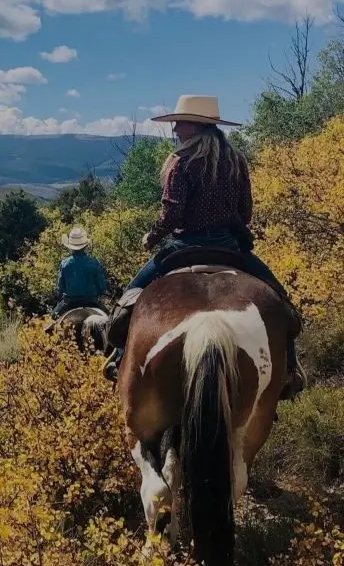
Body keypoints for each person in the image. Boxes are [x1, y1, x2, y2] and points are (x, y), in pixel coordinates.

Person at [102, 95, 304, 400]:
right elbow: (245, 211)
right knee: (281, 301)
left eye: (179, 123)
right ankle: (290, 368)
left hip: (183, 245)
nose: (174, 129)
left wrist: (152, 237)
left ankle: (119, 360)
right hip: (228, 246)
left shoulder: (180, 162)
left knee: (127, 300)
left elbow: (172, 212)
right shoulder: (236, 161)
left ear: (195, 126)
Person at [50, 226, 108, 319]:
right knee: (110, 319)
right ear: (85, 246)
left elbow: (60, 287)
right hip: (92, 301)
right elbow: (102, 287)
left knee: (52, 319)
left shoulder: (64, 264)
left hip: (69, 302)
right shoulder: (94, 263)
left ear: (70, 247)